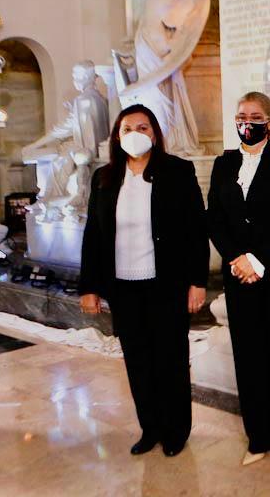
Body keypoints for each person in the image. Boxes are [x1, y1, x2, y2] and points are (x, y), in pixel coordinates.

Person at [79, 104, 209, 457]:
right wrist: (88, 286)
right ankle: (150, 427)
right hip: (124, 287)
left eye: (143, 127)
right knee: (138, 362)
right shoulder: (104, 178)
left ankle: (176, 431)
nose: (135, 133)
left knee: (170, 360)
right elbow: (94, 234)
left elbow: (197, 230)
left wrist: (198, 282)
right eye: (127, 128)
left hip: (165, 284)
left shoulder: (178, 172)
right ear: (117, 137)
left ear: (155, 134)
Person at [207, 91, 270, 469]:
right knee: (249, 359)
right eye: (240, 115)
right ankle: (258, 439)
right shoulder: (223, 164)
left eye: (254, 115)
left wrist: (257, 259)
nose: (246, 121)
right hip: (238, 276)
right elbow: (214, 218)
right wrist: (237, 259)